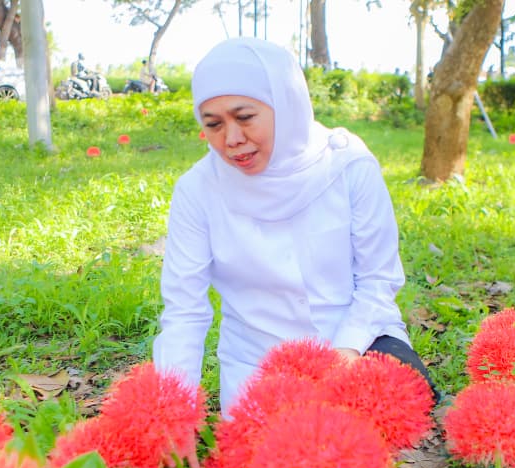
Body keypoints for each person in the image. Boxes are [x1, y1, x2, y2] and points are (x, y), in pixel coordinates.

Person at [152, 37, 436, 413]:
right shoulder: (197, 189)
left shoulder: (349, 166)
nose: (232, 139)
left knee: (372, 438)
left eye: (245, 117)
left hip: (355, 341)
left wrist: (345, 351)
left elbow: (378, 280)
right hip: (257, 365)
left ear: (285, 105)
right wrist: (173, 409)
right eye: (214, 124)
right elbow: (185, 309)